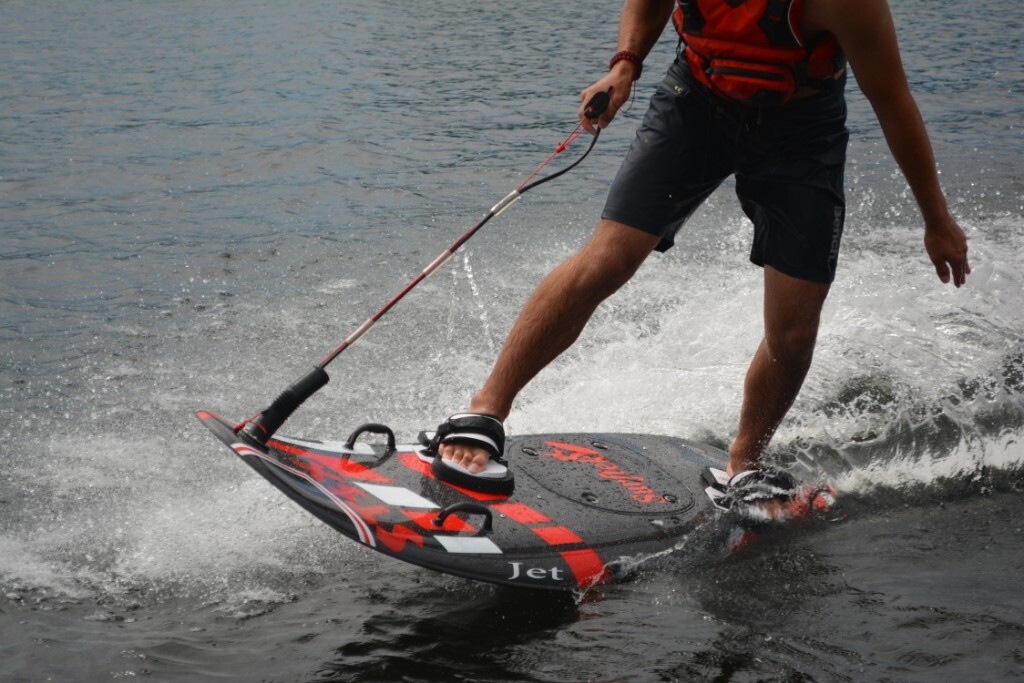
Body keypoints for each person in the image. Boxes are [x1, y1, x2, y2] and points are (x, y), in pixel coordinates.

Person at [427, 0, 970, 498]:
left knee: (794, 324)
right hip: (695, 104)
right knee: (606, 260)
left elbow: (893, 103)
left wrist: (936, 220)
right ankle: (485, 411)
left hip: (801, 132)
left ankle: (744, 466)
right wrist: (625, 65)